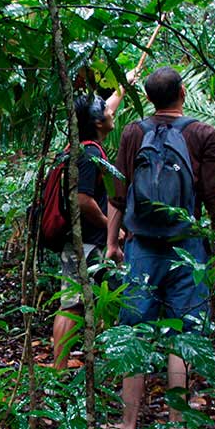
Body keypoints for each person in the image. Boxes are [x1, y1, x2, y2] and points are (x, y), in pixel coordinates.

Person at [105, 67, 215, 429]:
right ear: (183, 93)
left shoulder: (133, 132)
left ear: (150, 97)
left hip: (141, 247)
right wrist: (214, 230)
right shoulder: (202, 133)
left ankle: (127, 425)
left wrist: (113, 242)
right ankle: (177, 427)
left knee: (135, 335)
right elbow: (214, 196)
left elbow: (118, 193)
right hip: (186, 247)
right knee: (182, 337)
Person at [51, 71, 136, 369]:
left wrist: (125, 84)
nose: (113, 111)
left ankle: (103, 364)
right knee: (72, 304)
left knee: (100, 300)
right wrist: (111, 228)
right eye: (108, 112)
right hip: (87, 241)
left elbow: (110, 103)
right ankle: (59, 370)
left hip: (86, 241)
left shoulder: (84, 143)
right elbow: (82, 200)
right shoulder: (89, 155)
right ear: (99, 123)